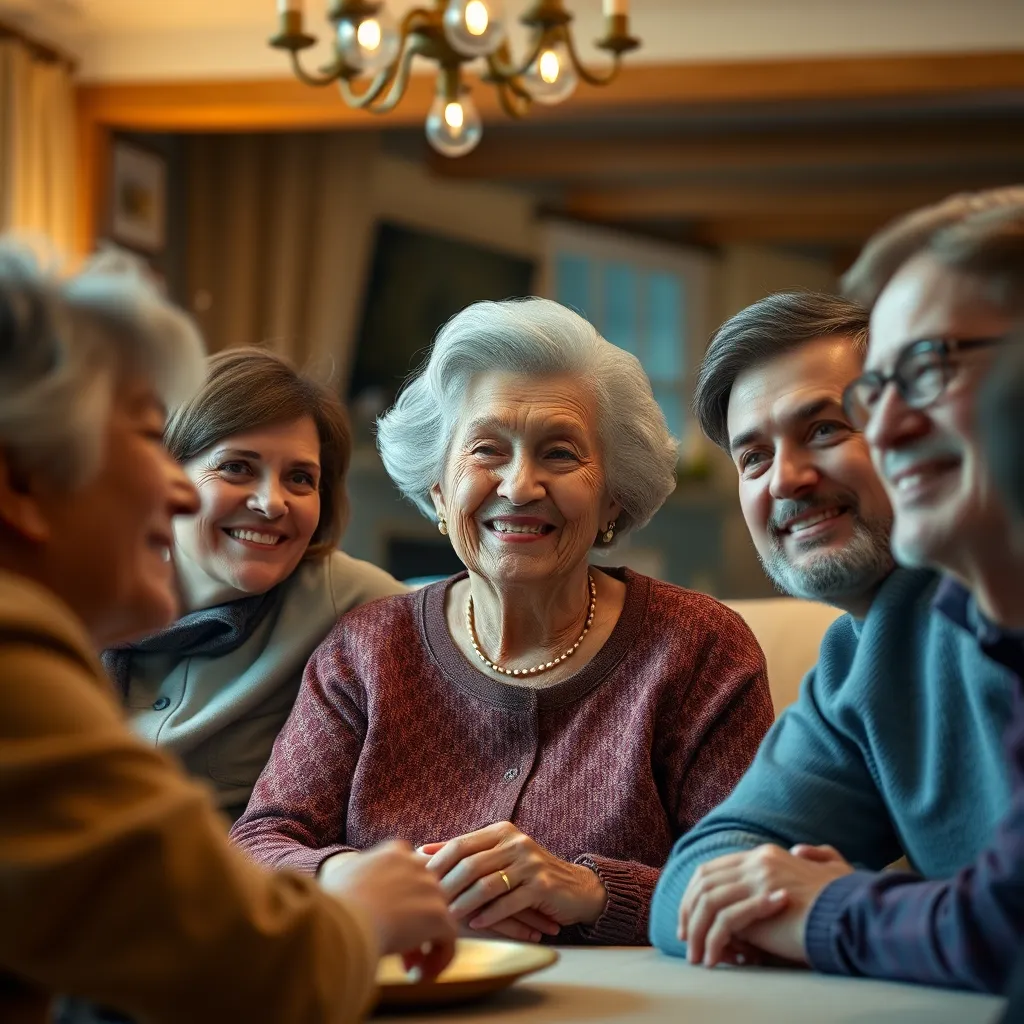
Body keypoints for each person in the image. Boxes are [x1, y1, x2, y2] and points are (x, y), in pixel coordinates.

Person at [0, 242, 455, 1024]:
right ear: (21, 484)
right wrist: (360, 912)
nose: (178, 491)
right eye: (144, 437)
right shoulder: (16, 657)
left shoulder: (359, 609)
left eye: (300, 477)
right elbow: (237, 964)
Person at [230, 296, 774, 946]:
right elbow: (259, 842)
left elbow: (750, 882)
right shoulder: (365, 650)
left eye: (561, 454)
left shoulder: (700, 648)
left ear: (612, 498)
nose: (519, 486)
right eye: (487, 449)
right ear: (438, 489)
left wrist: (592, 892)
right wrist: (348, 878)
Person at [658, 195, 1024, 993]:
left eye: (826, 427)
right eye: (754, 458)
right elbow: (694, 882)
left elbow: (1008, 923)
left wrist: (830, 907)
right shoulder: (865, 654)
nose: (786, 479)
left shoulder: (993, 600)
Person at [102, 348, 406, 820]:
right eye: (237, 467)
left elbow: (467, 638)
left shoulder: (349, 599)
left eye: (300, 478)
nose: (272, 503)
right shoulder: (79, 583)